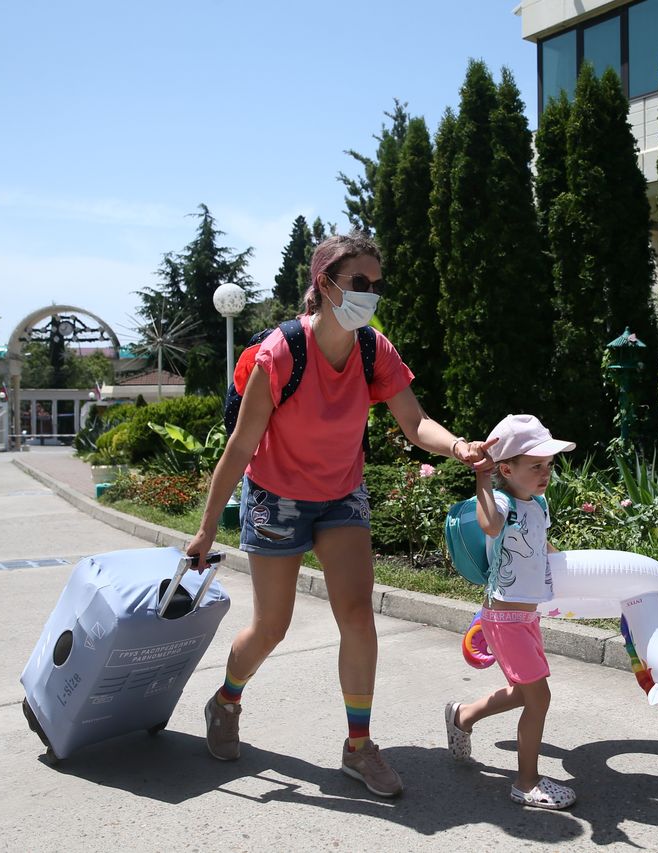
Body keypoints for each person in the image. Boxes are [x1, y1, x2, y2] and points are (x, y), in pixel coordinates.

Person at [185, 233, 492, 798]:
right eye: (360, 283)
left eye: (376, 285)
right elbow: (241, 445)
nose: (370, 294)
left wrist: (458, 448)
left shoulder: (375, 350)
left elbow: (415, 422)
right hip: (276, 496)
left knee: (356, 616)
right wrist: (207, 528)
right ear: (325, 284)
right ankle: (227, 699)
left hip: (341, 494)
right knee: (271, 627)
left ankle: (358, 747)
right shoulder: (281, 353)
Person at [443, 413, 578, 810]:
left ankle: (463, 716)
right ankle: (526, 782)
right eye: (535, 466)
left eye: (549, 465)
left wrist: (575, 583)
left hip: (527, 616)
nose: (545, 473)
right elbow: (489, 525)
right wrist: (482, 479)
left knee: (524, 692)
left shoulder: (539, 504)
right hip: (504, 619)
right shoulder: (501, 501)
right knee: (539, 698)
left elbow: (543, 549)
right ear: (506, 469)